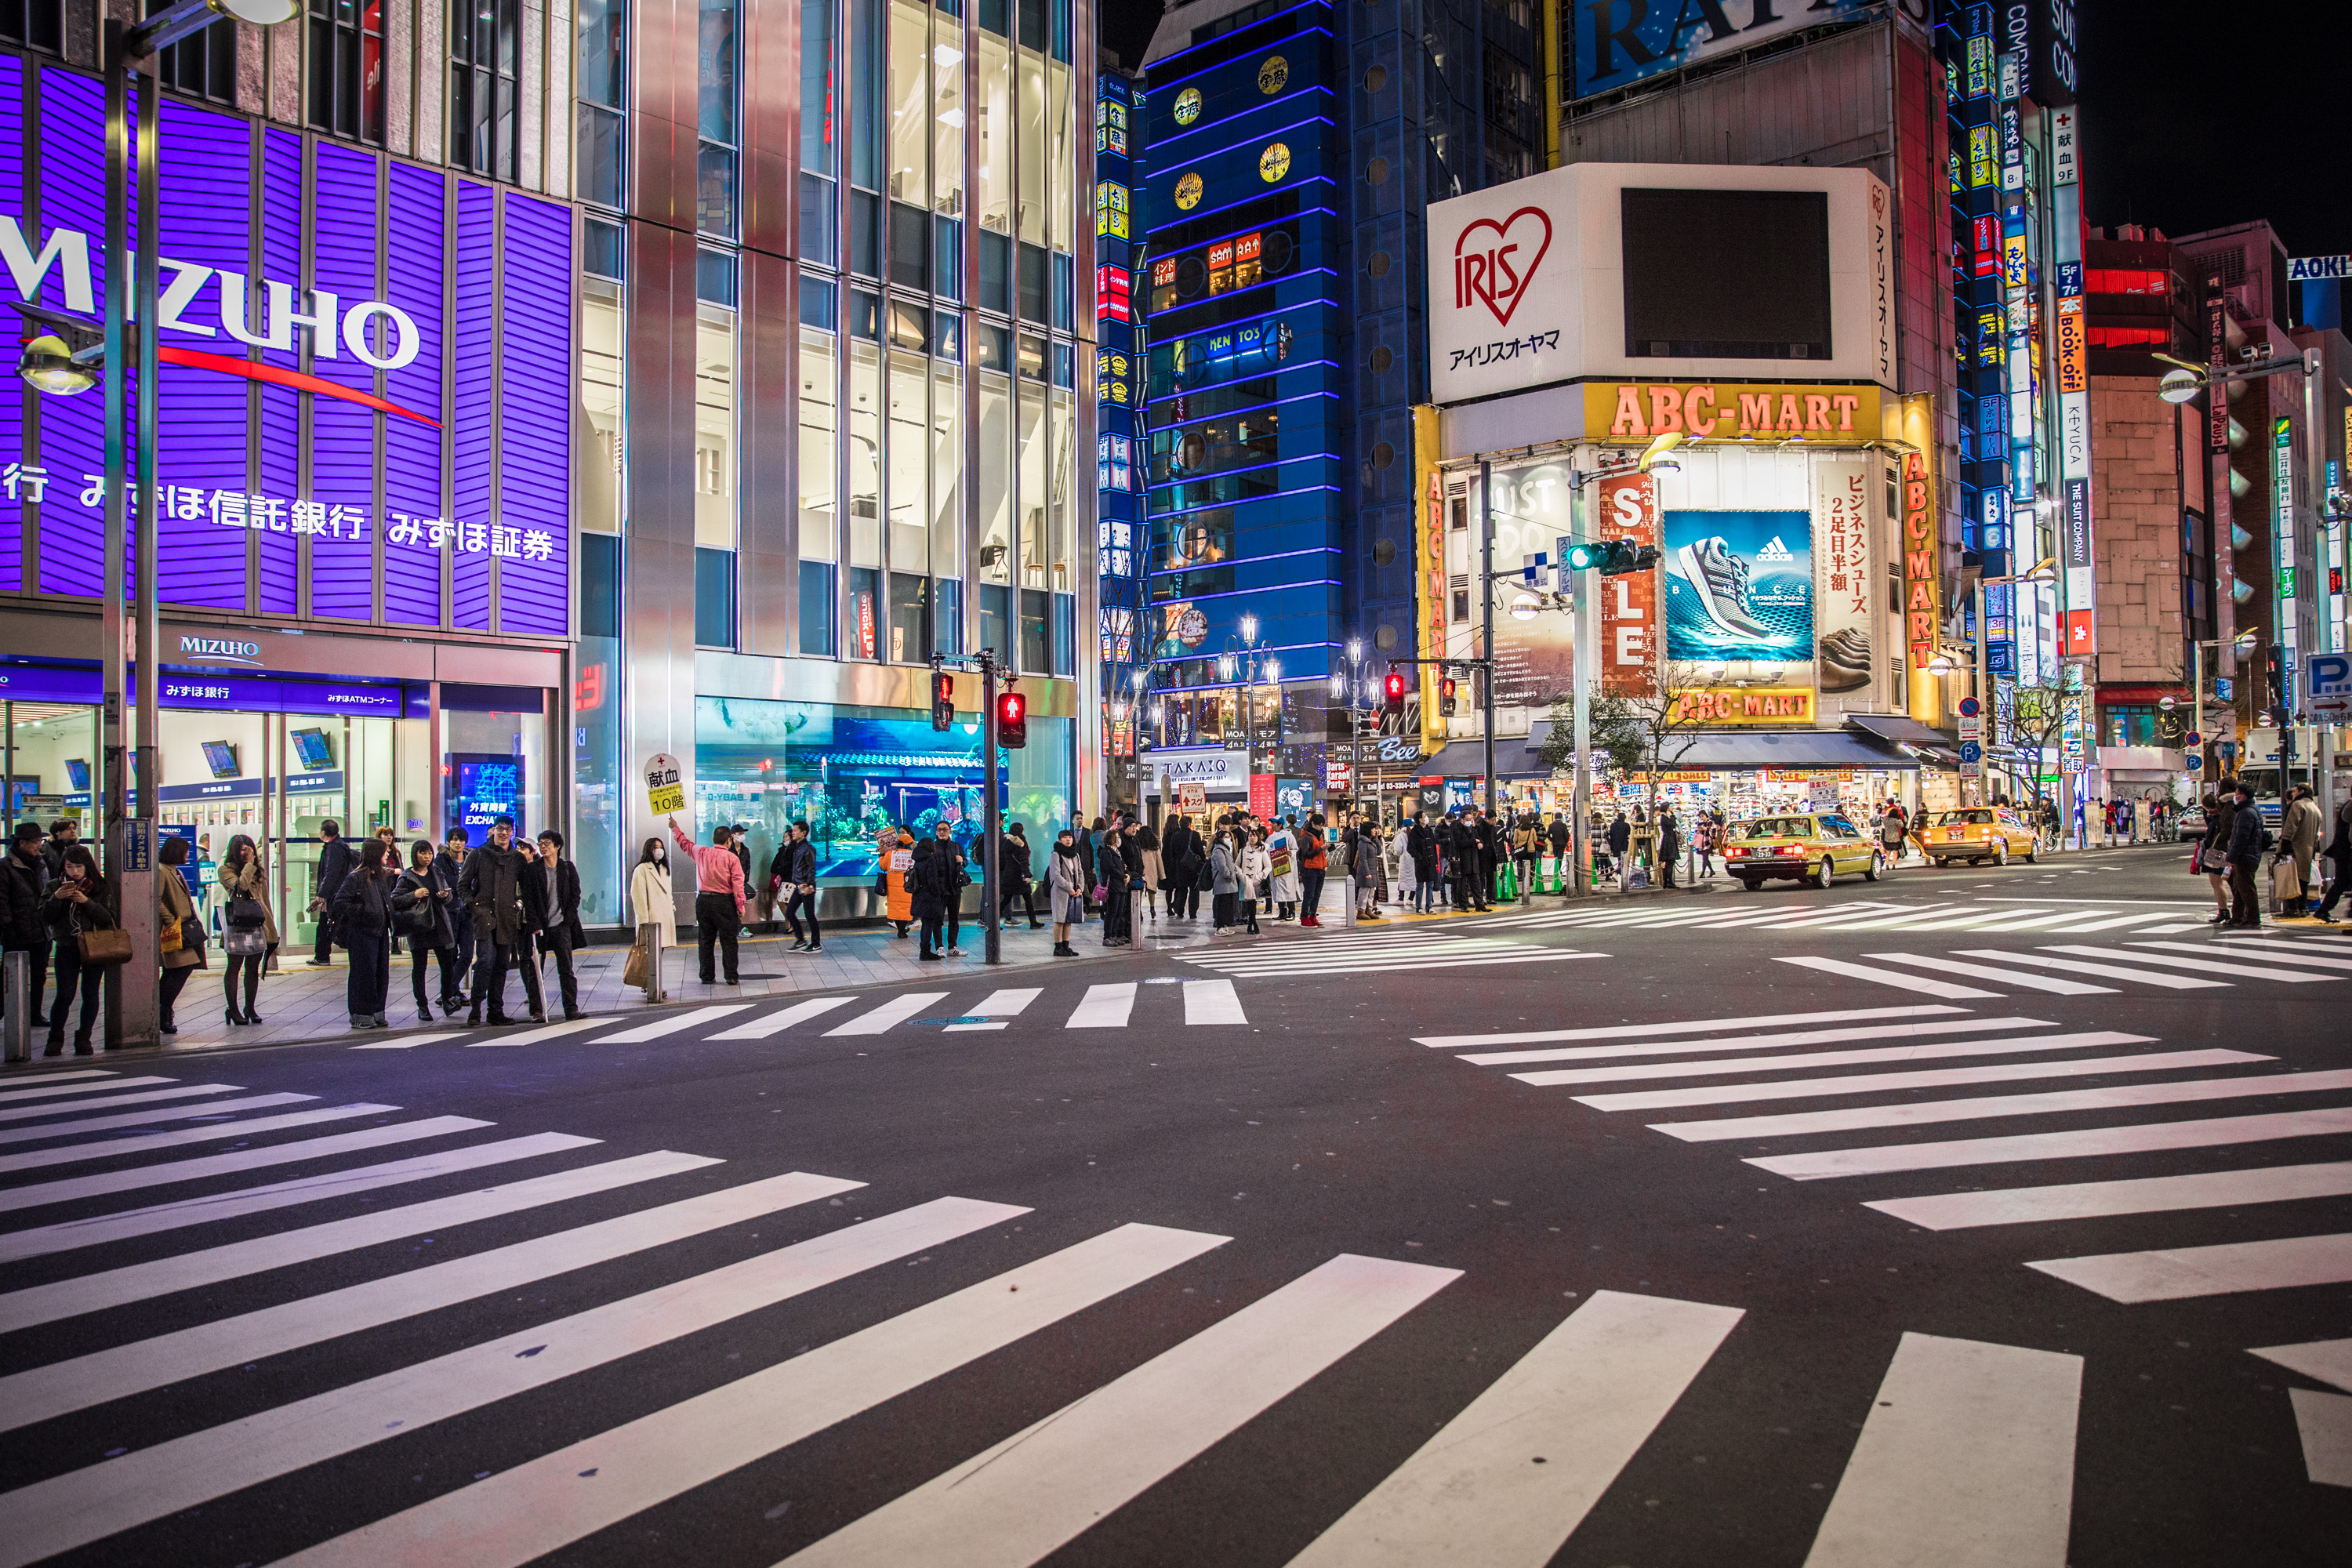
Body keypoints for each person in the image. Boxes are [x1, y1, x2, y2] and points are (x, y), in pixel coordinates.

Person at [460, 815, 543, 1024]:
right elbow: (462, 885)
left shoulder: (517, 859)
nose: (504, 832)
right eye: (500, 828)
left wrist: (520, 905)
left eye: (508, 829)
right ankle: (476, 1009)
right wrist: (473, 906)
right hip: (484, 916)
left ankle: (495, 1011)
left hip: (507, 918)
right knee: (486, 962)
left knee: (501, 965)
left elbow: (526, 887)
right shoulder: (479, 854)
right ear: (494, 830)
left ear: (512, 832)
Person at [40, 844, 111, 1054]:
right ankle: (55, 1038)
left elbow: (108, 917)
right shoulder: (54, 886)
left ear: (87, 866)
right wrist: (57, 899)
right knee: (65, 994)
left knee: (90, 993)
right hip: (67, 945)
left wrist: (87, 902)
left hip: (94, 945)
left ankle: (84, 1038)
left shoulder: (100, 886)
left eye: (79, 866)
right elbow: (44, 917)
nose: (74, 872)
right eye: (69, 867)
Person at [669, 815, 746, 985]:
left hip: (703, 901)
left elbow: (685, 843)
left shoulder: (702, 852)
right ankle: (731, 976)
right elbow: (738, 884)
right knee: (729, 940)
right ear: (728, 840)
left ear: (713, 839)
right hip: (724, 902)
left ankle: (707, 975)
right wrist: (740, 906)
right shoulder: (732, 858)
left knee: (705, 939)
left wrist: (675, 827)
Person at [392, 839, 463, 1023]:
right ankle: (422, 1005)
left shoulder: (436, 872)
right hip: (418, 926)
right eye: (423, 853)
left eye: (429, 853)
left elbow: (448, 897)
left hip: (439, 923)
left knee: (447, 964)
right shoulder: (407, 877)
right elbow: (395, 900)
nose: (427, 857)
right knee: (420, 968)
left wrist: (445, 895)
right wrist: (413, 895)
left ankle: (447, 999)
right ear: (415, 855)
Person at [521, 830, 586, 1019]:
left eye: (547, 843)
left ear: (557, 846)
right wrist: (534, 924)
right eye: (541, 843)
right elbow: (529, 899)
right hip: (539, 927)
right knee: (535, 970)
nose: (543, 846)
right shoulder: (533, 869)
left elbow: (575, 894)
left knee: (566, 969)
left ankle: (571, 1008)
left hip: (561, 925)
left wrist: (569, 918)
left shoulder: (567, 868)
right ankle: (536, 1010)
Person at [331, 837, 395, 1029]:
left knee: (380, 973)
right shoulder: (356, 877)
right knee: (363, 974)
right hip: (362, 932)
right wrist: (365, 911)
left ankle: (376, 1011)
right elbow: (340, 903)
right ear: (376, 853)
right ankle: (361, 1013)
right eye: (385, 851)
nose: (388, 854)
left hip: (380, 931)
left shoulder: (381, 876)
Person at [217, 833, 281, 1026]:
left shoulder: (257, 870)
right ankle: (233, 1009)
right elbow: (240, 888)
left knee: (253, 968)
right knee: (234, 967)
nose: (246, 853)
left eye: (249, 849)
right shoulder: (225, 870)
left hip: (258, 923)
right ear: (234, 851)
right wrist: (249, 866)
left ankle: (250, 1008)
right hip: (238, 924)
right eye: (243, 850)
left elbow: (265, 900)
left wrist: (271, 928)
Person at [2, 821, 52, 1036]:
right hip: (17, 930)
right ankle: (6, 1011)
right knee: (10, 977)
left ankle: (34, 1013)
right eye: (35, 842)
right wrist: (8, 927)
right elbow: (1, 900)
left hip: (41, 930)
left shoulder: (41, 863)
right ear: (22, 843)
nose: (39, 846)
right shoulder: (5, 866)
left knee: (39, 975)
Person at [154, 835, 203, 1036]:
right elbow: (156, 899)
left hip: (183, 927)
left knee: (175, 970)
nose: (188, 855)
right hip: (173, 930)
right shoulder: (162, 871)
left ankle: (162, 1009)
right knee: (180, 968)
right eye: (185, 851)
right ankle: (162, 1010)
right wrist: (169, 919)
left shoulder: (175, 871)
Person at [307, 819, 354, 966]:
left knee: (326, 925)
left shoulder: (334, 848)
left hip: (333, 895)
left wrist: (322, 895)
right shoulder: (337, 846)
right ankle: (322, 955)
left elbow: (331, 873)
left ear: (323, 833)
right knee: (327, 925)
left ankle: (322, 956)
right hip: (335, 893)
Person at [629, 836, 679, 960]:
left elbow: (668, 892)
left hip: (664, 917)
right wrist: (643, 921)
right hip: (651, 918)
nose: (659, 851)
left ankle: (654, 979)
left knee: (658, 953)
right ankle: (649, 979)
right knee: (650, 954)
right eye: (655, 848)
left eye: (661, 847)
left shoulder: (664, 869)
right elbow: (639, 897)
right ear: (649, 850)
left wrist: (671, 906)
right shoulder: (642, 869)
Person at [2226, 779, 2266, 929]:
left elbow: (2241, 838)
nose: (2234, 797)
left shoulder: (2246, 813)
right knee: (2239, 888)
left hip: (2245, 857)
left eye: (2236, 795)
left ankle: (2253, 918)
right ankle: (2238, 916)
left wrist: (2232, 858)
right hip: (2248, 855)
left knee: (2246, 889)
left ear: (2241, 797)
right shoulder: (2250, 810)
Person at [777, 821, 821, 952]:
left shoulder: (808, 849)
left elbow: (811, 868)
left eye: (795, 830)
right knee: (790, 912)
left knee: (810, 915)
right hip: (798, 886)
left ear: (804, 833)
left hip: (806, 887)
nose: (793, 833)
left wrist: (810, 885)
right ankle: (801, 940)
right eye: (792, 830)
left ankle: (816, 943)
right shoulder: (796, 847)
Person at [2282, 784, 2324, 917]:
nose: (2293, 794)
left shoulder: (2298, 805)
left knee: (2291, 879)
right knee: (2303, 880)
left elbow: (2291, 827)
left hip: (2296, 847)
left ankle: (2293, 908)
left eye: (2294, 791)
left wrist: (2285, 844)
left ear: (2302, 791)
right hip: (2309, 848)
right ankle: (2303, 907)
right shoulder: (2314, 808)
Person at [932, 821, 969, 955]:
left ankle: (952, 947)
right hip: (939, 891)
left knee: (954, 920)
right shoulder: (933, 847)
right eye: (939, 830)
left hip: (955, 889)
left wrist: (962, 861)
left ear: (950, 831)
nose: (942, 832)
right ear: (936, 832)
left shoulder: (956, 846)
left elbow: (965, 862)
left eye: (945, 829)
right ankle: (939, 947)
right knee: (938, 920)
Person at [2195, 792, 2233, 924]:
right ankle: (2223, 910)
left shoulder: (2217, 819)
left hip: (2216, 851)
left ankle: (2223, 910)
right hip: (2219, 850)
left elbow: (2213, 837)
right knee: (2217, 882)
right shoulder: (2220, 816)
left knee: (2216, 882)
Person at [1048, 829, 1085, 956]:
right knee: (1060, 920)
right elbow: (1055, 875)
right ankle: (1058, 947)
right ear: (1060, 840)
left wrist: (1080, 887)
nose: (1068, 839)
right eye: (1065, 838)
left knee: (1069, 919)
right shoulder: (1056, 855)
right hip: (1061, 891)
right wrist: (1069, 888)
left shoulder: (1075, 855)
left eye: (1070, 837)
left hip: (1074, 891)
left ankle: (1066, 946)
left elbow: (1080, 872)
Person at [999, 822, 1041, 928]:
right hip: (1020, 875)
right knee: (1028, 900)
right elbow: (1023, 860)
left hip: (1009, 875)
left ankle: (994, 921)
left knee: (1006, 899)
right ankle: (1033, 922)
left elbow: (1002, 860)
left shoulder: (1006, 842)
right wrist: (1027, 874)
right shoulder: (1021, 843)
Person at [2318, 795, 2351, 924]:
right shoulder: (2349, 807)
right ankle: (2323, 910)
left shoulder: (2347, 805)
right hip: (2345, 852)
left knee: (2341, 883)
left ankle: (2323, 910)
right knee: (2341, 883)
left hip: (2343, 851)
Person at [1100, 822, 1134, 946]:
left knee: (1119, 912)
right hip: (1113, 886)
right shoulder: (1106, 852)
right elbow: (1110, 868)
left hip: (1122, 886)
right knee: (1112, 912)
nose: (1119, 839)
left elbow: (1124, 866)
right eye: (1117, 837)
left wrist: (1127, 874)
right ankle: (1108, 936)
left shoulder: (1118, 852)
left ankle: (1115, 935)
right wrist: (1123, 876)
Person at [883, 828, 914, 937]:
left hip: (892, 887)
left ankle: (900, 930)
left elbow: (883, 866)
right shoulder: (913, 854)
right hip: (907, 885)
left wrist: (882, 854)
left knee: (895, 907)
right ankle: (902, 930)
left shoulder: (891, 854)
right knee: (905, 907)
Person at [1133, 821, 1162, 925]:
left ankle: (1139, 910)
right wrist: (1162, 875)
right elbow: (1159, 860)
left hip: (1141, 871)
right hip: (1152, 870)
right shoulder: (1154, 845)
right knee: (1152, 891)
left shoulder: (1138, 843)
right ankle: (1152, 908)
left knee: (1139, 890)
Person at [1657, 807, 1682, 890]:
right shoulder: (1664, 818)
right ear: (1667, 809)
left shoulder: (1664, 818)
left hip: (1668, 840)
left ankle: (1667, 881)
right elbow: (1672, 824)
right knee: (1669, 861)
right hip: (1668, 841)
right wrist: (1672, 817)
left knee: (1669, 862)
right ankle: (1668, 882)